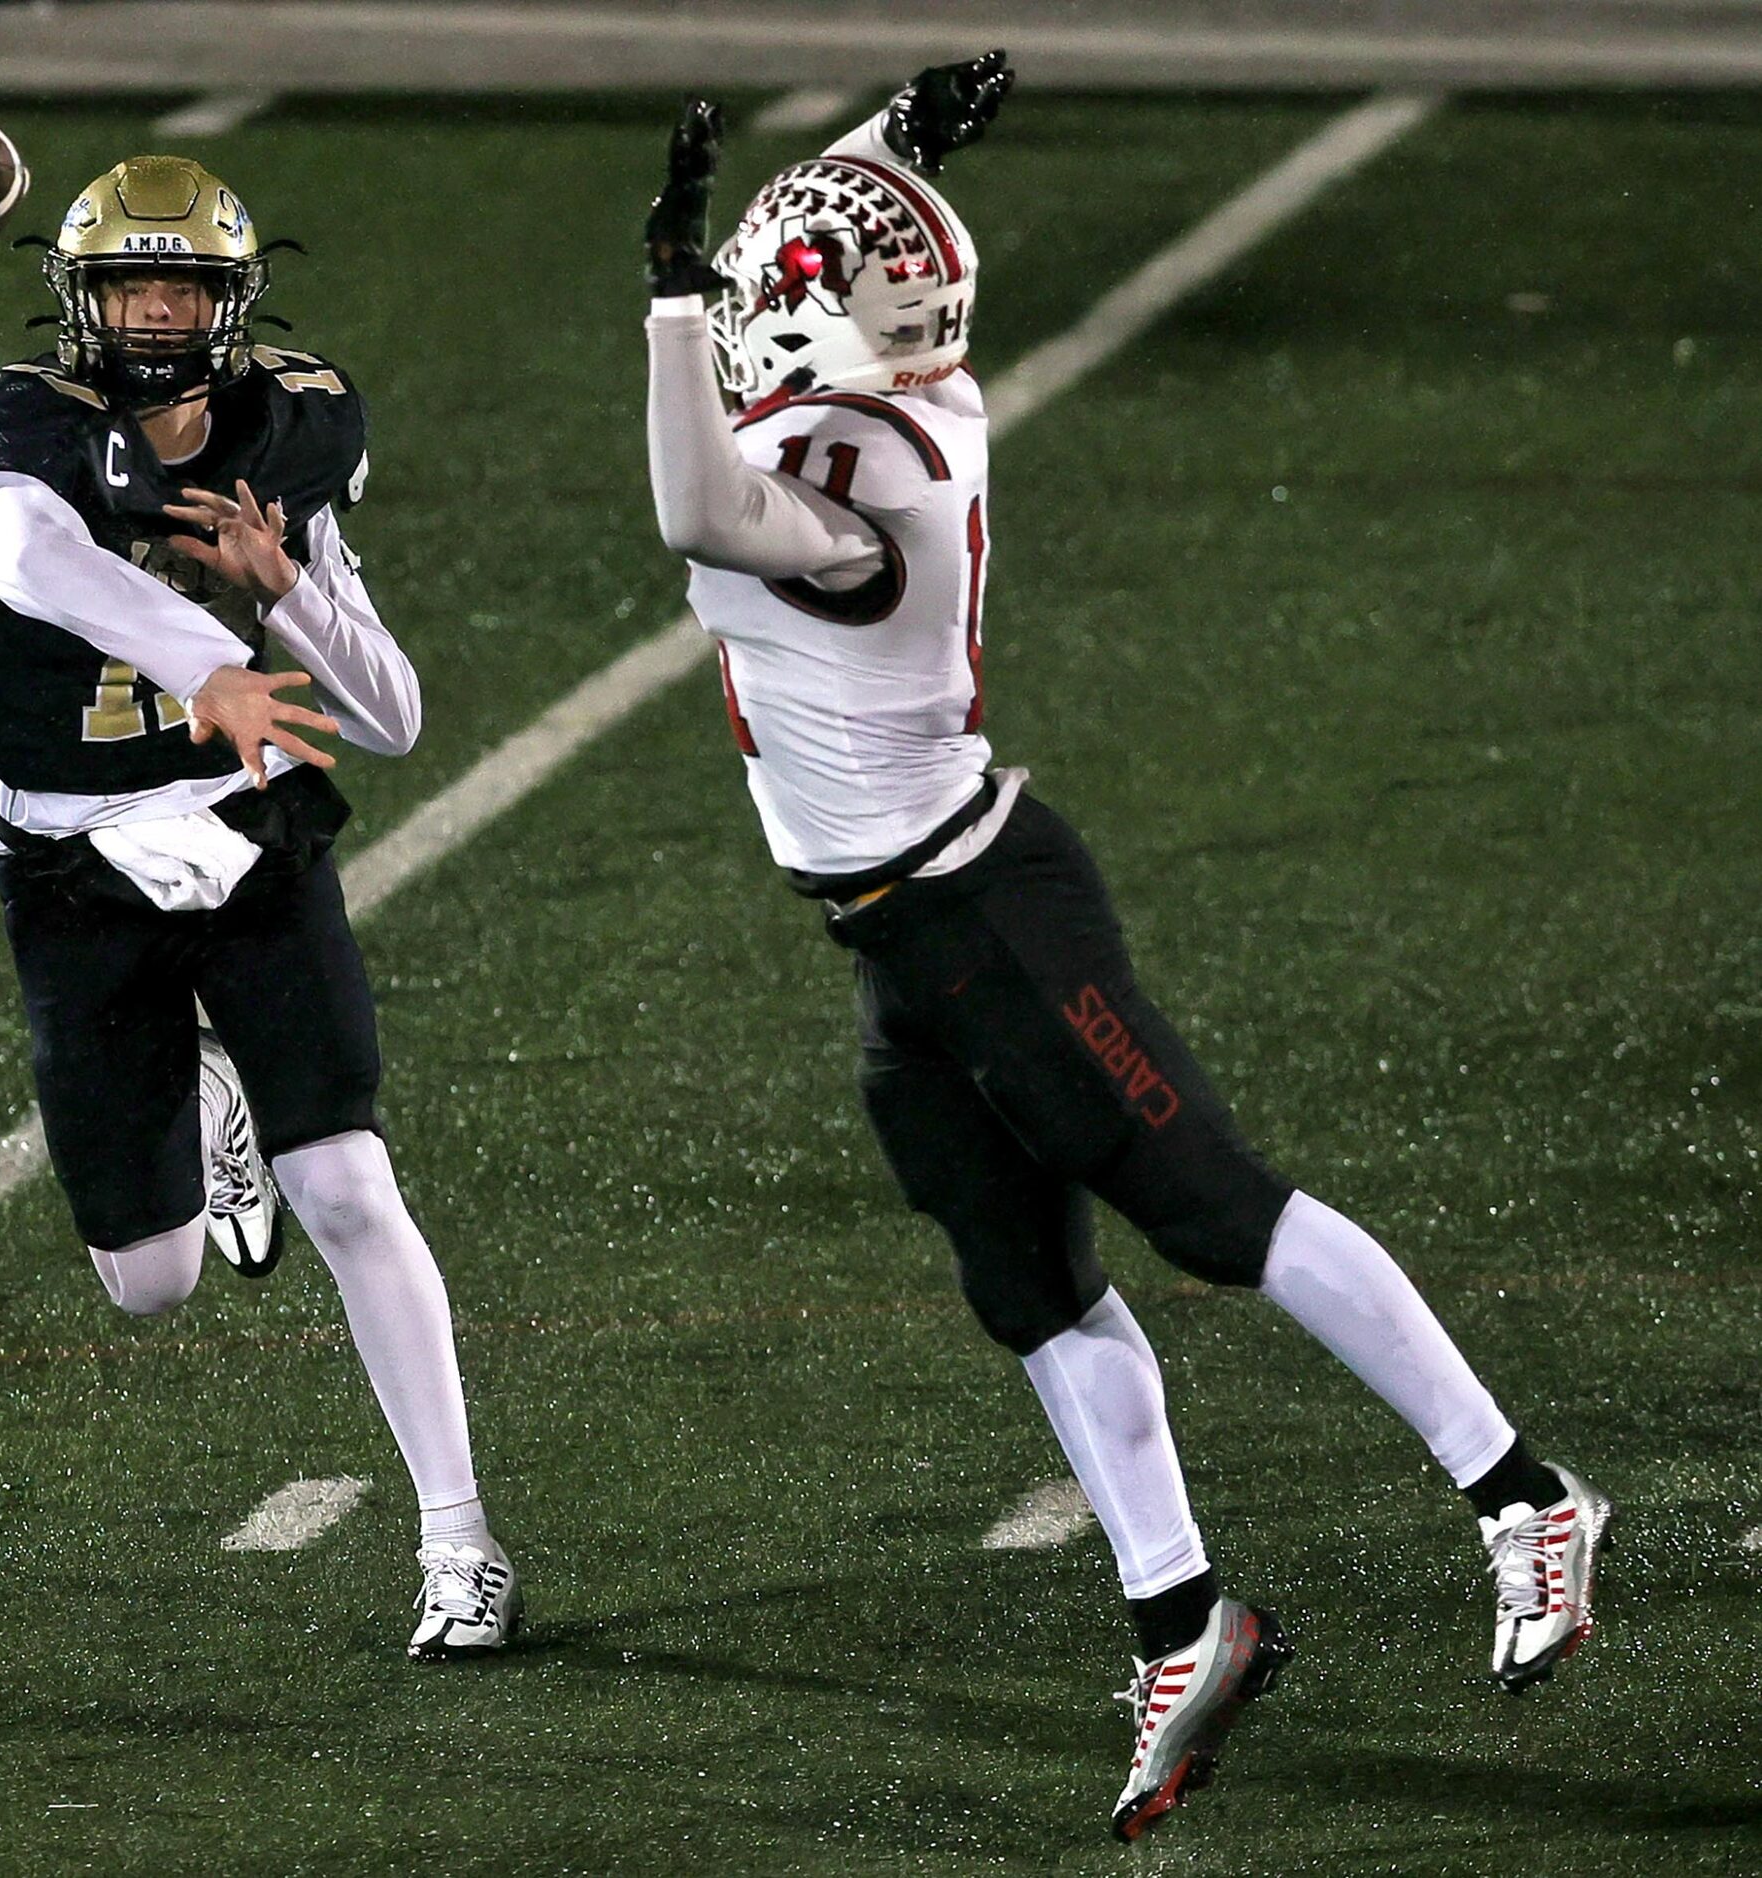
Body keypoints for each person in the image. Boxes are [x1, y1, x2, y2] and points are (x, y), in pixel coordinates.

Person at [639, 61, 1610, 1840]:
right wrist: (891, 136)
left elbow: (698, 508)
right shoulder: (901, 381)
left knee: (1214, 1211)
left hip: (986, 915)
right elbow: (847, 252)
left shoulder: (861, 474)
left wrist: (670, 296)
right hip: (897, 940)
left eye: (777, 291)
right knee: (1022, 1279)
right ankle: (1185, 1617)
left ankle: (1524, 1494)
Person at [0, 154, 519, 1657]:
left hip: (238, 829)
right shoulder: (27, 429)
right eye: (127, 284)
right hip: (72, 863)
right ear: (77, 301)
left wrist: (287, 595)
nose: (149, 314)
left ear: (229, 303)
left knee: (346, 1188)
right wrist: (201, 659)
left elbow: (391, 716)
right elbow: (20, 552)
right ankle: (207, 1093)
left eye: (178, 286)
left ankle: (459, 1539)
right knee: (148, 1281)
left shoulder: (287, 433)